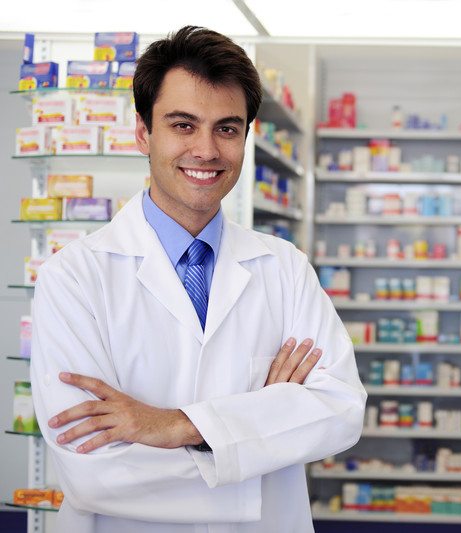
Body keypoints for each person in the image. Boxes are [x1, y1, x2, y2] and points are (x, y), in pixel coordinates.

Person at [30, 26, 366, 533]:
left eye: (227, 129)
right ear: (143, 132)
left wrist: (176, 426)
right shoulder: (75, 277)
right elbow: (93, 472)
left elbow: (340, 411)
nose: (207, 150)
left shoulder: (285, 268)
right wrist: (262, 430)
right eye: (183, 125)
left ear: (247, 137)